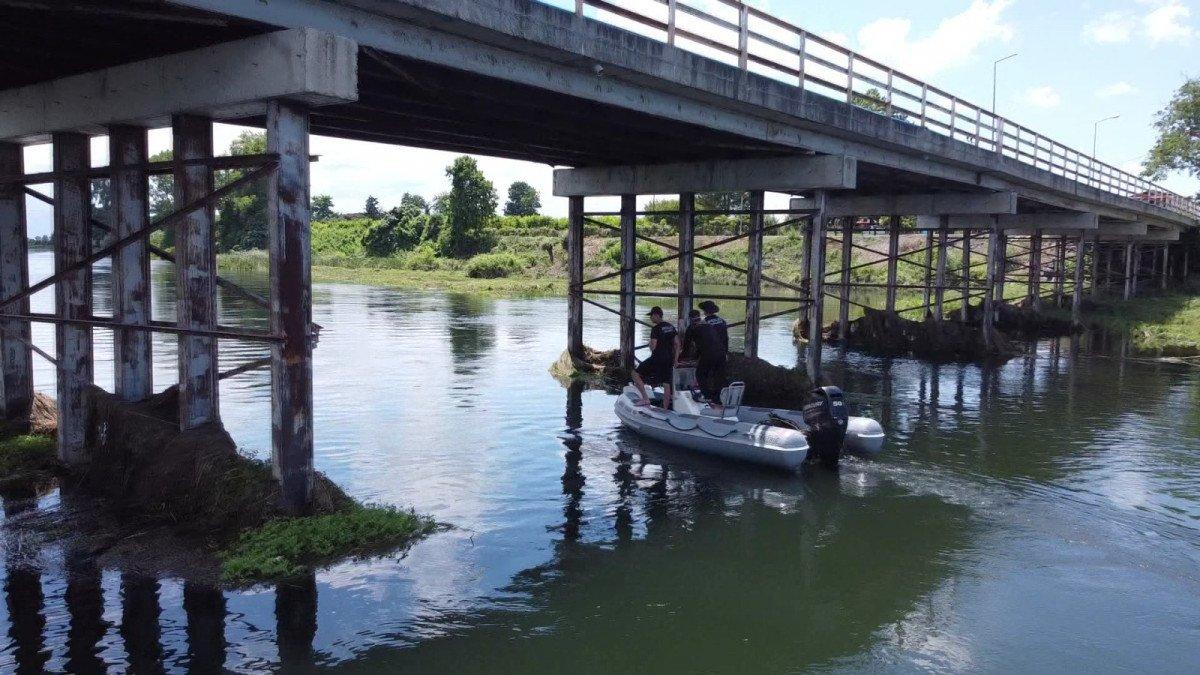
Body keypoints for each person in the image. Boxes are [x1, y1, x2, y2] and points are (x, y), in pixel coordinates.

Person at [632, 306, 680, 408]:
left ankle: (645, 399)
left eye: (651, 316)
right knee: (666, 384)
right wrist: (676, 359)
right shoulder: (671, 327)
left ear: (656, 315)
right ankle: (666, 409)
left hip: (657, 358)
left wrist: (650, 345)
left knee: (635, 374)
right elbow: (677, 344)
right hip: (669, 359)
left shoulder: (656, 328)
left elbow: (653, 346)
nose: (650, 319)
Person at [695, 300, 729, 412]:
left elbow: (701, 342)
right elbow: (726, 339)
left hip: (709, 353)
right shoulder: (722, 321)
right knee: (719, 376)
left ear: (705, 311)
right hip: (722, 353)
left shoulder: (704, 323)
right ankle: (718, 400)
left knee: (700, 373)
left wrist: (697, 356)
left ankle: (706, 396)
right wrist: (726, 353)